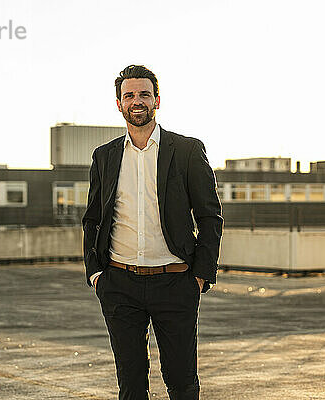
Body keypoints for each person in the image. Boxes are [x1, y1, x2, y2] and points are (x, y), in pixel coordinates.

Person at [82, 65, 223, 400]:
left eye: (144, 94)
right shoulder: (105, 156)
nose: (137, 101)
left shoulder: (187, 151)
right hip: (120, 285)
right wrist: (97, 274)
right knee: (131, 386)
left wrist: (200, 276)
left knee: (182, 382)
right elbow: (92, 219)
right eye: (129, 95)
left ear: (157, 99)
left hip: (176, 283)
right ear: (119, 103)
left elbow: (210, 216)